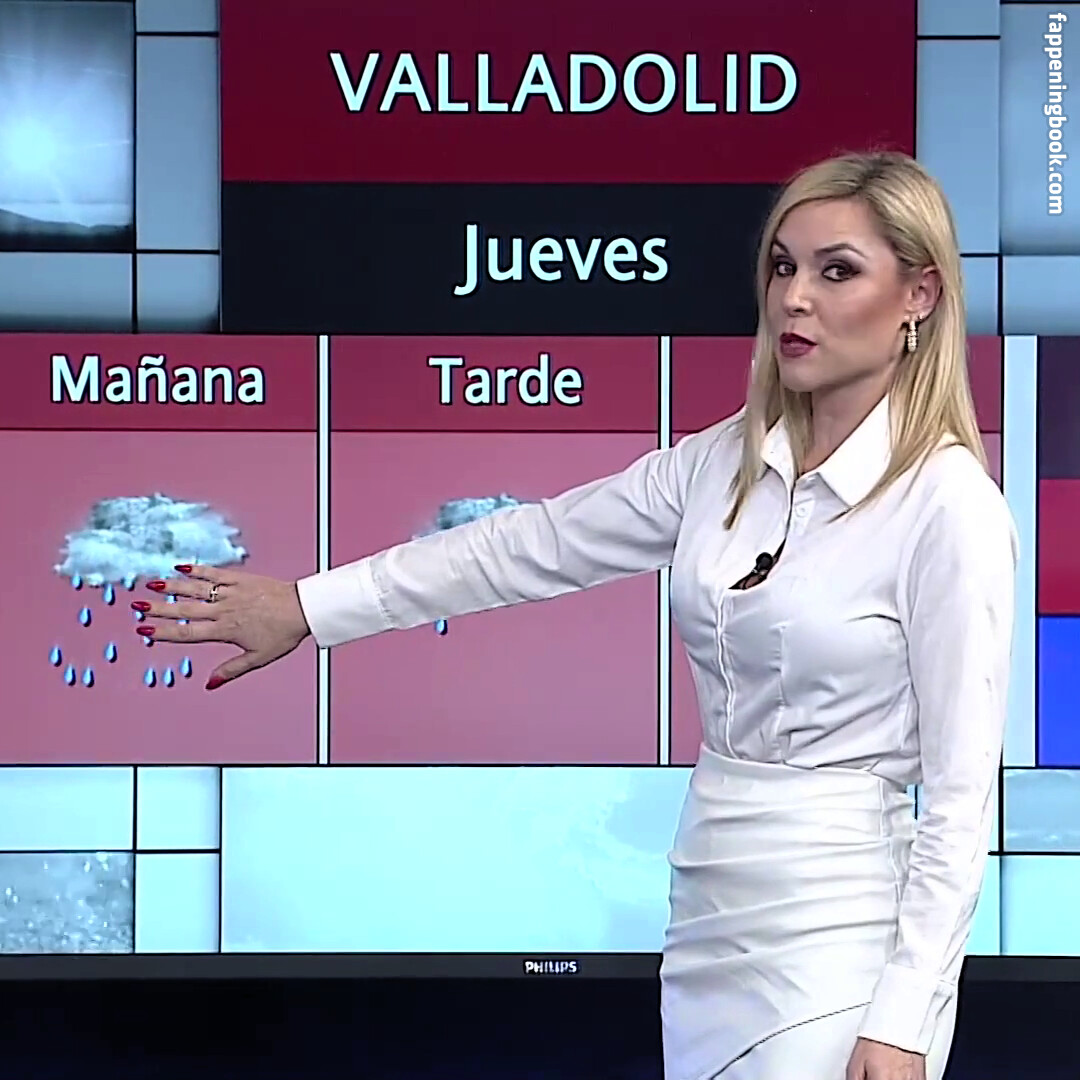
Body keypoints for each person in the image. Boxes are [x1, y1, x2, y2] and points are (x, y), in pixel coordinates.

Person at [133, 150, 1017, 1080]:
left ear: (918, 295)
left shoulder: (948, 507)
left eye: (838, 271)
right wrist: (309, 607)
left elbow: (963, 797)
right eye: (783, 266)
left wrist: (905, 1016)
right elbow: (527, 546)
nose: (794, 298)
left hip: (846, 932)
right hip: (711, 911)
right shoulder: (722, 463)